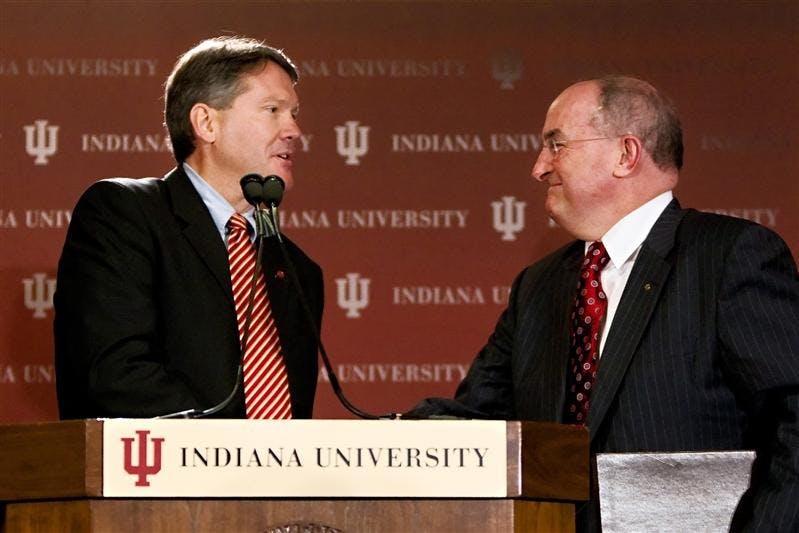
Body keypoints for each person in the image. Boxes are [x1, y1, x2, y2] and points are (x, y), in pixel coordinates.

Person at [408, 76, 799, 531]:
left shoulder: (729, 257)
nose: (538, 167)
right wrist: (371, 441)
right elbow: (480, 420)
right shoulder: (540, 285)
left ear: (625, 154)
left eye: (556, 145)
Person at [54, 36, 323, 420]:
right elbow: (114, 377)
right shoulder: (125, 214)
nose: (294, 129)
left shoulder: (296, 269)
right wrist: (232, 454)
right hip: (150, 473)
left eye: (294, 113)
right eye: (273, 109)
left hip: (272, 480)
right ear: (206, 122)